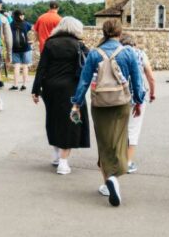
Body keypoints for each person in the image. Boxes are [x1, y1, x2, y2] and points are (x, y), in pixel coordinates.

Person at [71, 19, 144, 207]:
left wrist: (76, 103)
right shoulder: (128, 52)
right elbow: (137, 81)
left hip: (100, 103)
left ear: (104, 32)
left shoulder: (95, 53)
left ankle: (108, 181)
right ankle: (115, 175)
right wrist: (139, 101)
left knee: (104, 143)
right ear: (120, 32)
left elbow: (84, 81)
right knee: (120, 141)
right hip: (121, 102)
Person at [31, 17, 90, 175]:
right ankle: (63, 162)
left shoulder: (50, 43)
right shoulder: (79, 45)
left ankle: (56, 155)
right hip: (71, 88)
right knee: (70, 123)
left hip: (50, 88)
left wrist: (35, 90)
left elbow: (41, 68)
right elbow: (89, 66)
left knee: (54, 119)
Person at [119, 34, 155, 175]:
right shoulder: (140, 54)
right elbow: (150, 77)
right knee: (133, 129)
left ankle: (118, 159)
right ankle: (128, 162)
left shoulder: (117, 54)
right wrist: (152, 93)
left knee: (119, 128)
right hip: (137, 96)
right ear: (134, 44)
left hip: (119, 95)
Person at [10, 10, 33, 91]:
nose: (23, 16)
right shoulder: (26, 24)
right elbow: (33, 29)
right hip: (26, 48)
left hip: (15, 48)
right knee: (25, 66)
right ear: (19, 16)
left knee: (16, 66)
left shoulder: (11, 24)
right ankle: (24, 85)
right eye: (22, 15)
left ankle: (15, 85)